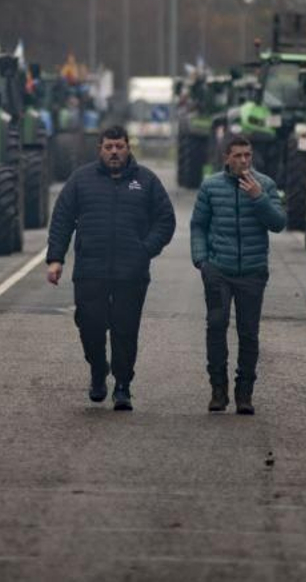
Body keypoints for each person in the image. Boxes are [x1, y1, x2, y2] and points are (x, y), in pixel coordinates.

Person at [46, 125, 175, 411]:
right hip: (90, 269)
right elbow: (62, 219)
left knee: (125, 330)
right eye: (109, 147)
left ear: (128, 148)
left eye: (119, 146)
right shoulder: (81, 180)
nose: (114, 152)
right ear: (100, 149)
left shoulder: (146, 181)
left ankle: (122, 386)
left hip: (132, 272)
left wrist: (145, 250)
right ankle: (97, 369)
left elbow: (165, 220)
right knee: (89, 325)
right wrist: (56, 259)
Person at [189, 134, 285, 415]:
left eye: (248, 155)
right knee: (216, 326)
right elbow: (198, 226)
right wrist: (202, 261)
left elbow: (278, 223)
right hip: (218, 270)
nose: (244, 161)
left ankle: (245, 393)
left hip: (253, 272)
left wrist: (259, 198)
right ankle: (218, 391)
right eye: (238, 156)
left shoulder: (265, 184)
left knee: (249, 333)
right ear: (227, 158)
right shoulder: (210, 186)